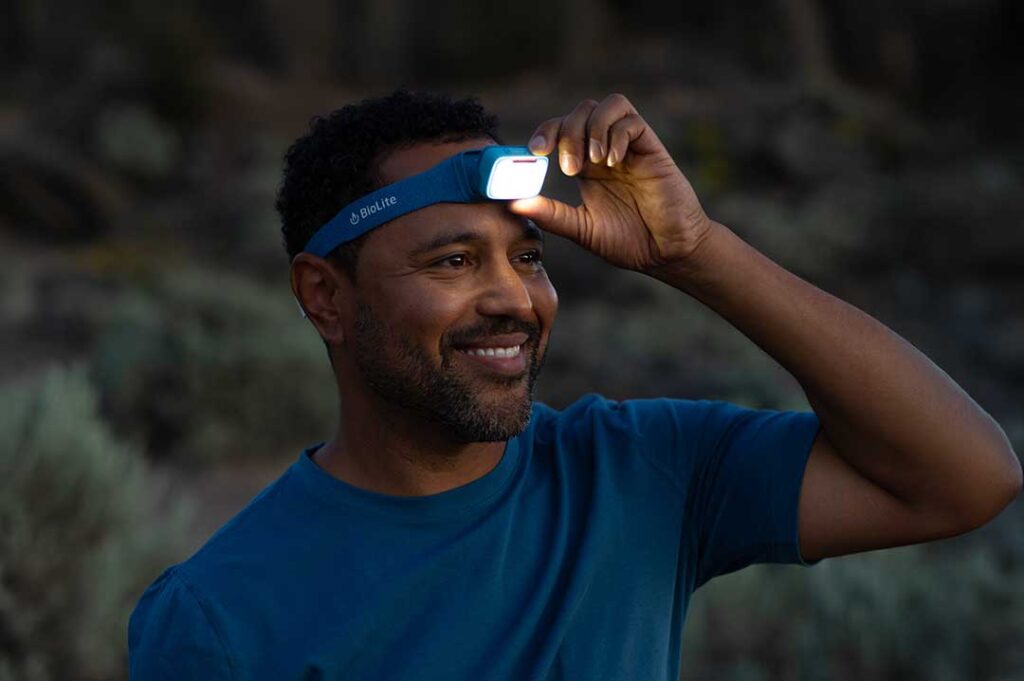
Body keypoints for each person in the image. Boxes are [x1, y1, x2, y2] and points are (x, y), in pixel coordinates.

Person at [128, 90, 1021, 680]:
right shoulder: (220, 617)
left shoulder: (638, 472)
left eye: (527, 257)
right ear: (325, 297)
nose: (513, 298)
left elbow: (967, 477)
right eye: (453, 260)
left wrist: (694, 251)